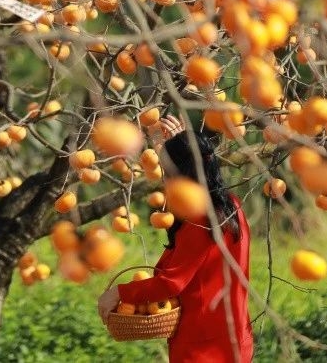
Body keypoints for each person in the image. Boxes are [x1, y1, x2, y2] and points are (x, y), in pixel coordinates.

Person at [98, 115, 254, 363]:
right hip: (234, 338)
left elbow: (171, 284)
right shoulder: (230, 206)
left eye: (167, 172)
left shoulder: (199, 220)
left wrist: (118, 292)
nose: (163, 180)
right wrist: (176, 145)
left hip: (203, 348)